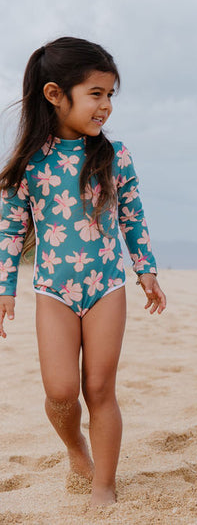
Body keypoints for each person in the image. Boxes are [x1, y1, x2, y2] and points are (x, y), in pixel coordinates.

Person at [0, 37, 167, 506]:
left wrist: (146, 270)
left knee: (98, 387)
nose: (106, 106)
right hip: (53, 289)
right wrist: (4, 288)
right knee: (60, 391)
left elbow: (133, 216)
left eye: (111, 94)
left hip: (106, 286)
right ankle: (77, 449)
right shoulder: (30, 165)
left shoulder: (114, 156)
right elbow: (11, 231)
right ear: (55, 94)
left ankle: (104, 486)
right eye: (96, 93)